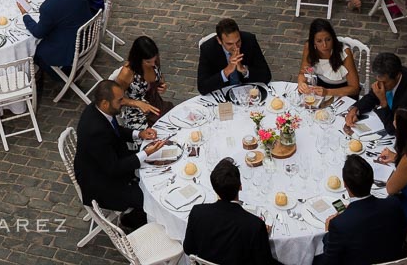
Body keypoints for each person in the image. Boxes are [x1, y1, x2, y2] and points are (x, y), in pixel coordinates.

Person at [73, 80, 164, 232]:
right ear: (104, 103)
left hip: (109, 161)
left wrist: (139, 134)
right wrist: (145, 153)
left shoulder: (100, 110)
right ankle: (132, 220)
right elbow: (114, 168)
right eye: (120, 100)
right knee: (152, 197)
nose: (124, 102)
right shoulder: (95, 131)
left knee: (156, 165)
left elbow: (115, 130)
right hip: (102, 185)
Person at [315, 156, 407, 265]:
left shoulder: (339, 224)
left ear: (345, 184)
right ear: (372, 181)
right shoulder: (394, 204)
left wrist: (328, 233)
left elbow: (329, 262)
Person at [183, 159, 275, 265]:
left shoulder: (197, 212)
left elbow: (188, 249)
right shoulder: (255, 225)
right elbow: (264, 262)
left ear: (214, 188)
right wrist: (262, 234)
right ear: (240, 186)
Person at [19, 0, 94, 77]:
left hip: (71, 48)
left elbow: (38, 33)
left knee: (36, 51)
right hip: (89, 35)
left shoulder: (48, 7)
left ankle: (59, 76)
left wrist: (25, 15)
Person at [345, 52, 407, 136]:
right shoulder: (391, 75)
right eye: (378, 80)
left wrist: (383, 102)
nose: (380, 85)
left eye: (384, 82)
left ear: (397, 75)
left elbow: (392, 129)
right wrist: (356, 109)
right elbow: (373, 96)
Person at [196, 18, 273, 94]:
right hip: (223, 93)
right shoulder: (208, 49)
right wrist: (227, 71)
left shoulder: (249, 40)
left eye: (238, 41)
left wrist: (244, 70)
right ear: (219, 40)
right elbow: (202, 87)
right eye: (229, 44)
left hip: (248, 92)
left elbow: (266, 75)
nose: (236, 47)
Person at [116, 36, 171, 131]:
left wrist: (163, 85)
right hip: (137, 112)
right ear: (138, 58)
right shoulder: (127, 73)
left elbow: (160, 76)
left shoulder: (154, 60)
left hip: (156, 105)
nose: (153, 64)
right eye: (148, 62)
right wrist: (137, 103)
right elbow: (116, 99)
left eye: (154, 60)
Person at [298, 18, 361, 98]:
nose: (324, 45)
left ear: (333, 38)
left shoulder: (345, 52)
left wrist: (328, 92)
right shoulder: (309, 47)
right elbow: (303, 73)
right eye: (319, 41)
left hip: (343, 91)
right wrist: (301, 83)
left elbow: (354, 88)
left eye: (328, 40)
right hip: (320, 88)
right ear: (313, 42)